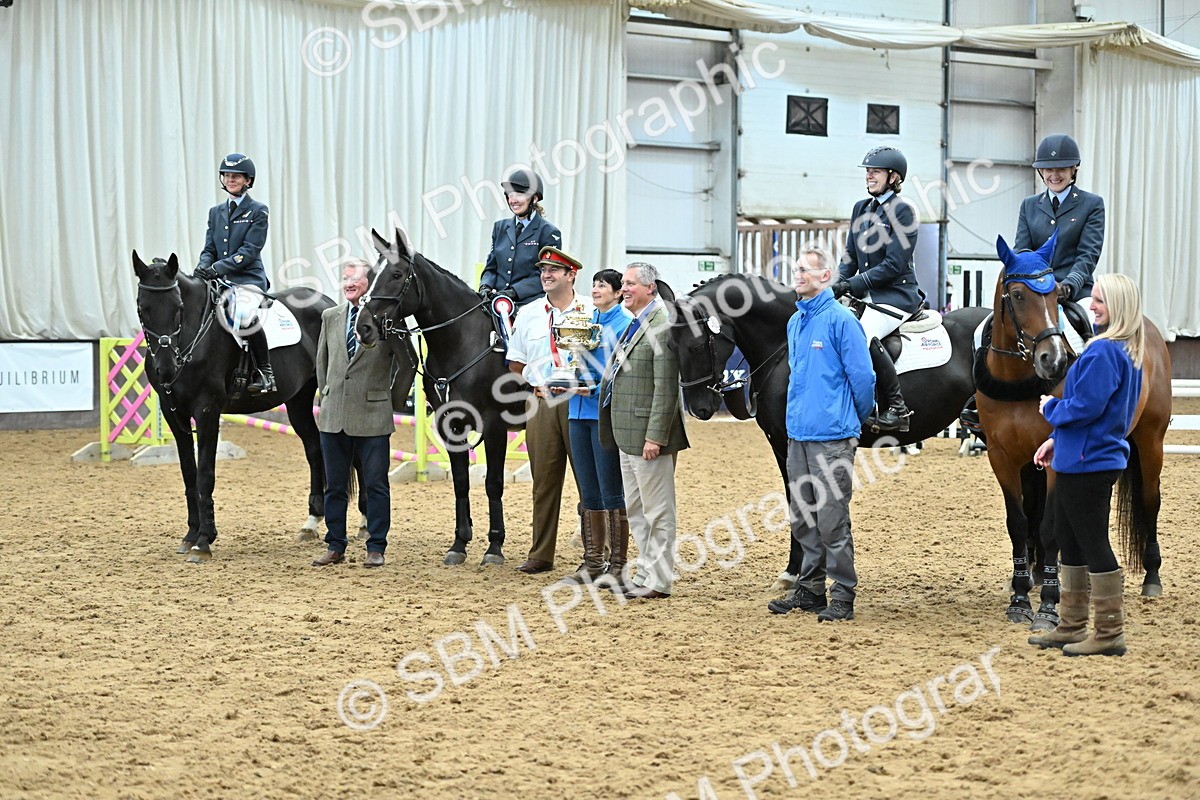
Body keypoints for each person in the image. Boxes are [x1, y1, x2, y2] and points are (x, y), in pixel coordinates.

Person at [1028, 273, 1144, 657]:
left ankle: (1109, 633)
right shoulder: (1118, 350)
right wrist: (1054, 442)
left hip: (1089, 463)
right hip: (1081, 456)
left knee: (1092, 541)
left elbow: (1085, 408)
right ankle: (1071, 624)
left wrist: (1051, 409)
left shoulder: (1102, 352)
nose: (1091, 306)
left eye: (1100, 301)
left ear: (1119, 309)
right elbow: (1102, 413)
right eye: (1093, 299)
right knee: (1068, 535)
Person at [768, 247, 875, 622]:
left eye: (803, 270)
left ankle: (843, 592)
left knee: (831, 518)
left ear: (825, 276)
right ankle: (811, 588)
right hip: (798, 435)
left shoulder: (842, 320)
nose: (796, 275)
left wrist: (848, 419)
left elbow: (863, 379)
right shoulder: (795, 323)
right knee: (802, 517)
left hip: (833, 437)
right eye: (795, 269)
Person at [598, 262, 689, 600]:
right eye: (623, 283)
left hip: (647, 436)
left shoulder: (661, 324)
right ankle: (644, 573)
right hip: (626, 432)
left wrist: (656, 436)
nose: (624, 289)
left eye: (631, 284)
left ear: (650, 288)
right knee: (637, 511)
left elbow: (665, 388)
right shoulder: (637, 322)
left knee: (658, 511)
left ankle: (659, 580)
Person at [506, 246, 592, 574]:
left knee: (589, 482)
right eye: (543, 269)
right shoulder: (528, 313)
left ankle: (596, 553)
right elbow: (516, 362)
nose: (546, 274)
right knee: (543, 481)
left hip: (580, 401)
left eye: (554, 270)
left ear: (571, 275)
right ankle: (541, 553)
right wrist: (533, 386)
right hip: (541, 403)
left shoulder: (590, 309)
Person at [311, 260, 399, 569]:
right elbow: (322, 361)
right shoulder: (330, 317)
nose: (348, 283)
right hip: (333, 416)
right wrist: (327, 393)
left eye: (355, 278)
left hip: (373, 415)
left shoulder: (385, 318)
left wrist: (390, 398)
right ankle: (335, 545)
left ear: (369, 283)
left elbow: (405, 363)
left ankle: (376, 546)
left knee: (375, 484)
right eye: (345, 278)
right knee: (334, 485)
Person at [832, 146, 924, 433]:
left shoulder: (903, 211)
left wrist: (852, 284)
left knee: (862, 334)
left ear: (893, 177)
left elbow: (893, 265)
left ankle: (897, 409)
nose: (869, 176)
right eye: (868, 172)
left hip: (896, 296)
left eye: (875, 172)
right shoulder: (861, 208)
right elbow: (850, 256)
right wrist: (836, 284)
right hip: (864, 295)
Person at [557, 269, 634, 584]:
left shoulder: (624, 325)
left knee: (611, 490)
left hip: (602, 414)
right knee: (588, 490)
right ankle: (592, 563)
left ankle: (617, 566)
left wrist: (594, 388)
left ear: (617, 293)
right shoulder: (586, 322)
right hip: (577, 413)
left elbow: (622, 375)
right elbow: (573, 361)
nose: (596, 289)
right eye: (594, 285)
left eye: (603, 285)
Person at [195, 153, 275, 394]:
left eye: (236, 176)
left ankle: (265, 372)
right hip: (218, 280)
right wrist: (202, 267)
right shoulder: (215, 212)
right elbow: (210, 248)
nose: (230, 180)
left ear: (247, 181)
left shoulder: (258, 210)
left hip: (247, 279)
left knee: (243, 313)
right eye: (227, 176)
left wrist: (216, 268)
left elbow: (249, 251)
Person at [1015, 134, 1105, 312]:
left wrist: (1069, 285)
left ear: (1073, 169)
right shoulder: (1029, 205)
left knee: (1091, 326)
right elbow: (1022, 251)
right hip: (1035, 292)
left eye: (1061, 169)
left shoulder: (1092, 204)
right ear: (1041, 172)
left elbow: (1088, 255)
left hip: (1075, 294)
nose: (1054, 175)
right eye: (1048, 169)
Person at [479, 169, 563, 350]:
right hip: (497, 303)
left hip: (530, 304)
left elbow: (546, 275)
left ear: (534, 198)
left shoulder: (548, 232)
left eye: (519, 194)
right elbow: (491, 266)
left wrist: (513, 293)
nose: (513, 200)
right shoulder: (500, 227)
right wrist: (485, 286)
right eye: (510, 194)